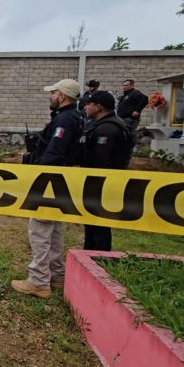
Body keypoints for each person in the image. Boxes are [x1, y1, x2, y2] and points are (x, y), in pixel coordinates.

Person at [12, 79, 84, 300]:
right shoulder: (76, 117)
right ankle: (57, 275)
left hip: (50, 180)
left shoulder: (64, 119)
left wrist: (37, 176)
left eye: (53, 93)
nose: (50, 97)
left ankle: (38, 281)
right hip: (61, 179)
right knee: (54, 230)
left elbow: (54, 152)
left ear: (62, 96)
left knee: (40, 230)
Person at [81, 91, 133, 251]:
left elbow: (101, 160)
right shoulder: (110, 124)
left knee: (99, 225)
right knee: (93, 224)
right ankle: (89, 253)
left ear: (99, 107)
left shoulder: (107, 129)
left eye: (88, 104)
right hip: (103, 182)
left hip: (101, 184)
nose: (85, 108)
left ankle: (99, 256)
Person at [117, 79, 148, 145]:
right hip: (122, 118)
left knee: (130, 133)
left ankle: (136, 147)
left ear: (132, 86)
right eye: (123, 85)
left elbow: (145, 99)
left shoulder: (135, 93)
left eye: (126, 85)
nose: (124, 87)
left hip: (130, 118)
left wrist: (137, 110)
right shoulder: (125, 95)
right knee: (123, 134)